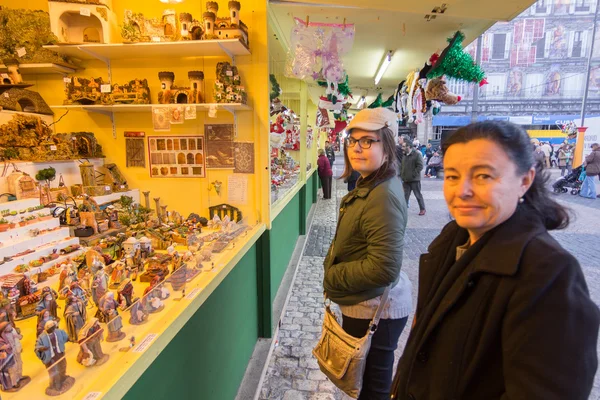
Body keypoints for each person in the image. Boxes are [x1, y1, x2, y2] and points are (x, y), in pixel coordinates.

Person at [391, 121, 600, 400]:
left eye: (483, 176)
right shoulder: (453, 239)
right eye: (452, 176)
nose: (462, 190)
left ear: (525, 180)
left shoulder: (550, 276)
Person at [324, 108, 412, 400]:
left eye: (367, 141)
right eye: (352, 140)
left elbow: (384, 267)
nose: (356, 148)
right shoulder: (370, 184)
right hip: (367, 303)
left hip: (376, 309)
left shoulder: (383, 195)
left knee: (373, 388)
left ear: (386, 148)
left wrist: (334, 275)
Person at [34, 320, 75, 396]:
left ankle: (62, 377)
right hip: (50, 357)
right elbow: (37, 347)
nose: (53, 329)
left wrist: (69, 339)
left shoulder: (58, 332)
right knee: (54, 371)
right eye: (51, 328)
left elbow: (65, 337)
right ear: (47, 328)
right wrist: (42, 348)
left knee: (62, 366)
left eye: (54, 327)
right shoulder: (42, 337)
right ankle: (56, 385)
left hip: (59, 353)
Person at [401, 140, 426, 215]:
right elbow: (403, 166)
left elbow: (420, 166)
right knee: (405, 196)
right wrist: (402, 174)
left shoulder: (417, 154)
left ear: (409, 146)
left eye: (404, 146)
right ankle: (403, 210)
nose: (402, 148)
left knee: (418, 195)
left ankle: (422, 209)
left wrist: (413, 174)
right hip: (406, 180)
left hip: (414, 180)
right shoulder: (404, 155)